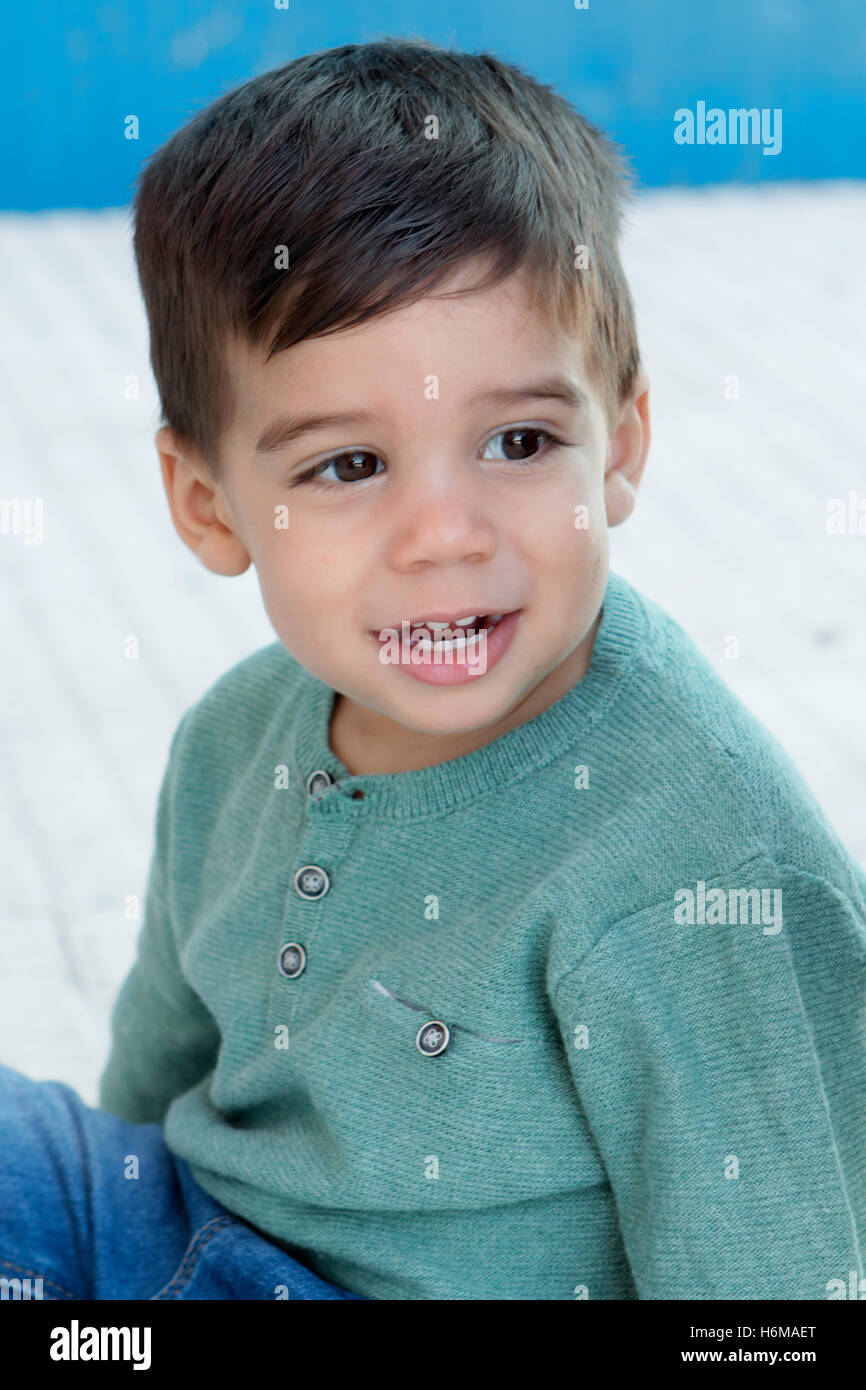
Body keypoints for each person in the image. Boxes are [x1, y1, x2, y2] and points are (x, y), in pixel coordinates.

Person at [4, 37, 865, 1301]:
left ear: (620, 443)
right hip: (179, 1236)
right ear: (208, 504)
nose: (447, 534)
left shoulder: (693, 863)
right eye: (348, 465)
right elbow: (151, 1079)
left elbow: (779, 1289)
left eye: (517, 440)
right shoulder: (234, 738)